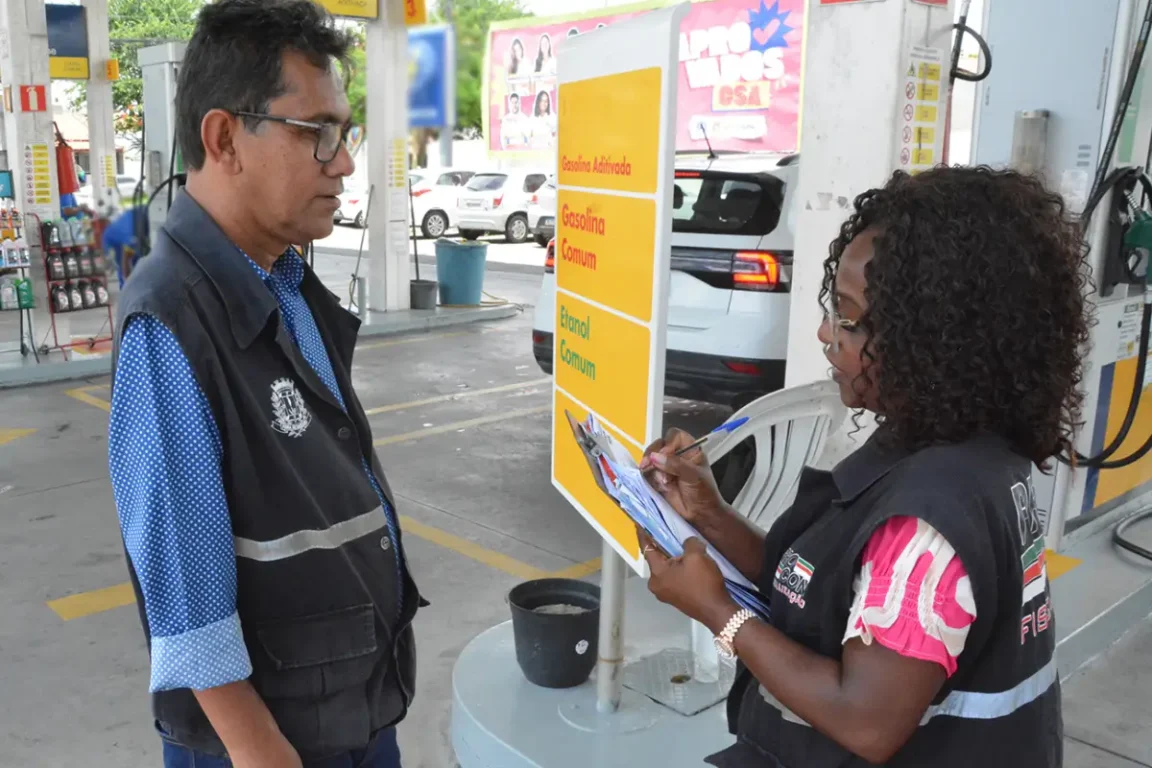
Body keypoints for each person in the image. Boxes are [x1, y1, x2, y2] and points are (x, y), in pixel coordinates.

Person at [637, 167, 1084, 767]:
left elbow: (865, 720)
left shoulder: (928, 525)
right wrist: (711, 516)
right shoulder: (967, 448)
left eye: (847, 317)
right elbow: (826, 591)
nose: (827, 333)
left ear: (930, 340)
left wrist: (718, 612)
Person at [107, 1, 423, 766]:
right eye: (316, 132)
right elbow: (189, 608)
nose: (342, 161)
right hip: (268, 739)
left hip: (349, 702)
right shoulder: (172, 320)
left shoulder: (282, 278)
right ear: (224, 140)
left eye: (342, 133)